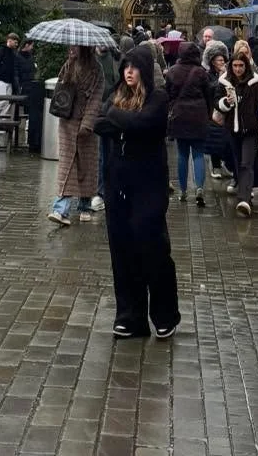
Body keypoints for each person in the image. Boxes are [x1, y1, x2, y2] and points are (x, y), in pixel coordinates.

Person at [94, 48, 180, 339]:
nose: (128, 71)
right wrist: (125, 123)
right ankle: (130, 317)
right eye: (125, 67)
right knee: (122, 250)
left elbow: (144, 123)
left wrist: (117, 118)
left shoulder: (158, 98)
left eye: (134, 67)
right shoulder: (116, 93)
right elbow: (98, 124)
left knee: (152, 247)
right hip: (118, 184)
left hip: (149, 184)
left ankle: (165, 314)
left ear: (144, 69)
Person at [48, 46, 104, 226]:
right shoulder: (68, 64)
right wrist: (68, 69)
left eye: (75, 46)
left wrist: (87, 123)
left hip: (86, 124)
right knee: (67, 165)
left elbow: (96, 99)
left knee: (86, 165)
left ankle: (85, 205)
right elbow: (61, 87)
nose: (71, 48)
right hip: (68, 121)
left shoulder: (96, 69)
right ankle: (60, 209)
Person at [216, 51, 258, 216]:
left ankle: (244, 199)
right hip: (232, 129)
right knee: (238, 162)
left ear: (246, 66)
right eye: (235, 65)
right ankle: (244, 193)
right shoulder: (225, 83)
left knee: (246, 163)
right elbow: (216, 101)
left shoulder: (255, 84)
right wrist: (225, 102)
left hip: (250, 130)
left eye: (241, 65)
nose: (238, 69)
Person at [166, 42, 212, 206]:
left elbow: (168, 94)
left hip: (180, 116)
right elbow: (208, 95)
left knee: (182, 154)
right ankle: (199, 187)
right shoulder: (201, 72)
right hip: (199, 116)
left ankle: (183, 190)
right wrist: (208, 114)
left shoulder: (172, 71)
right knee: (198, 154)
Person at [202, 40, 233, 182]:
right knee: (214, 138)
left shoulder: (227, 73)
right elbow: (209, 89)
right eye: (219, 60)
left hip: (226, 110)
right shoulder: (208, 75)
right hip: (212, 110)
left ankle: (226, 163)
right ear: (213, 62)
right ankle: (215, 166)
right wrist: (220, 79)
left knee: (226, 139)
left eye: (223, 60)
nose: (222, 62)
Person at [93, 43, 118, 211]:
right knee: (99, 154)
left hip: (112, 111)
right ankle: (99, 190)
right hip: (94, 111)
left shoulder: (116, 59)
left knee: (107, 153)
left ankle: (105, 190)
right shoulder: (91, 59)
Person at [0, 31, 22, 117]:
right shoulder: (1, 51)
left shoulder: (13, 53)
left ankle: (1, 120)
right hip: (0, 81)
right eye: (15, 42)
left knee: (7, 102)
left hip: (9, 82)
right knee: (2, 101)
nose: (17, 44)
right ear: (10, 40)